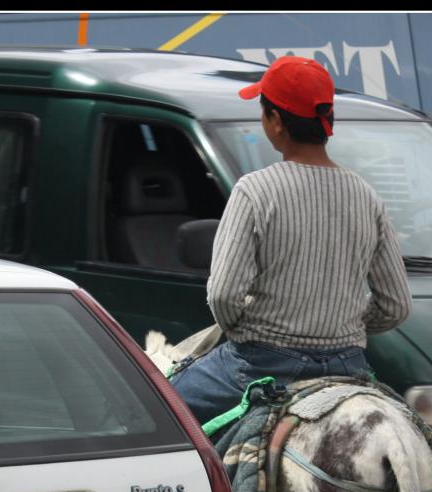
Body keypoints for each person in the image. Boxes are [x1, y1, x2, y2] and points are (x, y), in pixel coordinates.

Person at [170, 54, 413, 424]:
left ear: (277, 122)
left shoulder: (254, 190)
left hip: (261, 364)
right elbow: (395, 306)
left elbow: (222, 295)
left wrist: (239, 327)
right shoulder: (366, 194)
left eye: (264, 111)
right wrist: (342, 321)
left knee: (161, 408)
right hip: (348, 366)